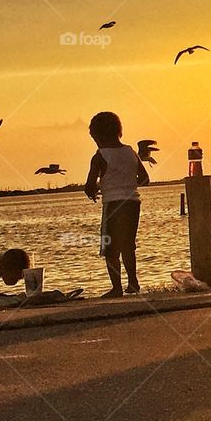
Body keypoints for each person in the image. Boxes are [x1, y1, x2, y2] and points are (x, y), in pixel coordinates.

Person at [84, 111, 150, 298]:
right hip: (133, 203)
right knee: (128, 245)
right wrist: (126, 182)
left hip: (113, 204)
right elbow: (145, 180)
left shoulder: (99, 156)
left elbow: (89, 186)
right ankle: (133, 282)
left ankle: (117, 288)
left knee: (110, 246)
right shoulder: (131, 152)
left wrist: (95, 189)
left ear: (99, 136)